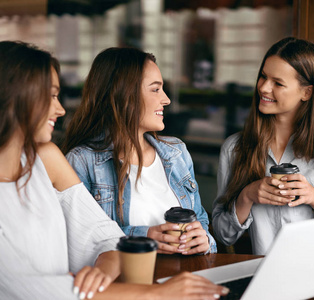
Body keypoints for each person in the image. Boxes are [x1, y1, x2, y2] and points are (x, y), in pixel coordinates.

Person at [0, 41, 228, 300]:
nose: (60, 110)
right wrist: (154, 295)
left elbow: (106, 237)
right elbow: (30, 288)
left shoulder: (46, 158)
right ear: (13, 99)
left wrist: (100, 272)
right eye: (51, 96)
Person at [211, 37, 314, 299]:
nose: (264, 88)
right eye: (263, 77)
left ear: (307, 92)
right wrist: (247, 195)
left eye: (278, 83)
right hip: (276, 285)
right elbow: (224, 235)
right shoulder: (235, 149)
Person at [62, 47, 216, 255]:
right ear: (124, 95)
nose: (166, 100)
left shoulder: (176, 152)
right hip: (129, 284)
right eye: (155, 89)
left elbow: (201, 222)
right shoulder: (82, 161)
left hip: (185, 280)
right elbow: (79, 242)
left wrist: (204, 240)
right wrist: (143, 237)